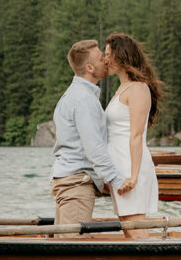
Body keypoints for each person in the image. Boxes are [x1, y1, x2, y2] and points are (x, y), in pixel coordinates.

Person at [50, 39, 133, 224]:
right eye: (101, 58)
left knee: (64, 239)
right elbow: (94, 148)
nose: (106, 61)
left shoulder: (74, 94)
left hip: (67, 180)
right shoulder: (84, 100)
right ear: (89, 68)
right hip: (76, 184)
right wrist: (118, 180)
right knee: (72, 241)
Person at [104, 32, 163, 238]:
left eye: (108, 54)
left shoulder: (138, 88)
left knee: (136, 228)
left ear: (121, 56)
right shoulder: (122, 89)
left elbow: (136, 135)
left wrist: (133, 176)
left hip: (131, 166)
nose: (105, 60)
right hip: (119, 166)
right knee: (127, 228)